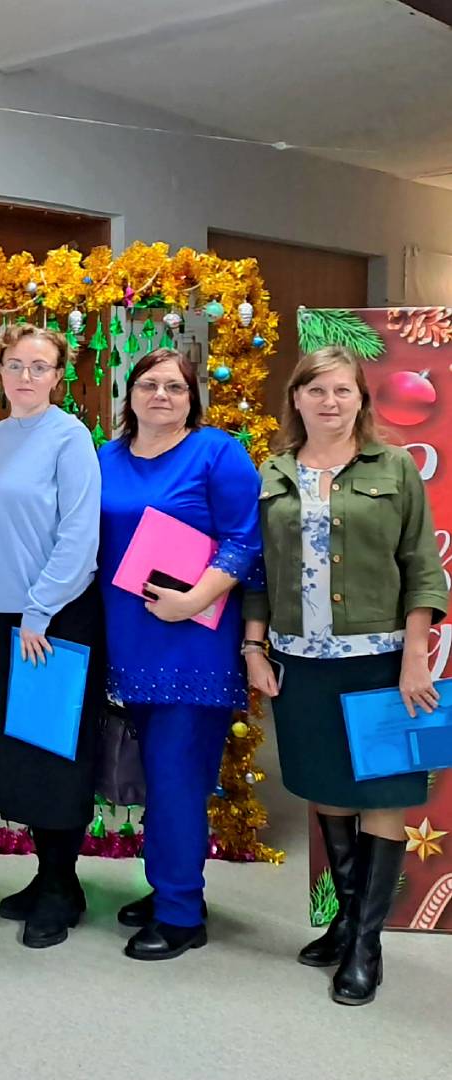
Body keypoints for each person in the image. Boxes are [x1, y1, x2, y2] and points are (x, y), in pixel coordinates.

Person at [244, 345, 446, 1006]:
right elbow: (257, 571)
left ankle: (365, 944)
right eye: (315, 390)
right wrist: (253, 646)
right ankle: (348, 919)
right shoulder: (273, 471)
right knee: (326, 787)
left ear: (360, 398)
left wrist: (414, 656)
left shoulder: (393, 467)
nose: (329, 402)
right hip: (300, 662)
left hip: (381, 660)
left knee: (382, 792)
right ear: (295, 399)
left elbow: (421, 566)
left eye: (341, 390)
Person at [98, 348, 262, 961]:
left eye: (174, 386)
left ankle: (181, 914)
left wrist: (193, 600)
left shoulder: (216, 452)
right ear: (130, 394)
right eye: (149, 384)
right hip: (126, 640)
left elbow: (245, 540)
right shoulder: (105, 457)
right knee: (156, 775)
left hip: (193, 641)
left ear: (192, 397)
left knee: (177, 779)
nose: (160, 395)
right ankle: (168, 884)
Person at [0, 324, 106, 949]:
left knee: (53, 754)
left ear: (58, 376)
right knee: (16, 753)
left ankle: (60, 885)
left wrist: (40, 611)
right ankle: (50, 876)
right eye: (15, 364)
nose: (25, 376)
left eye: (39, 366)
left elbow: (79, 536)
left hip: (52, 619)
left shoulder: (69, 438)